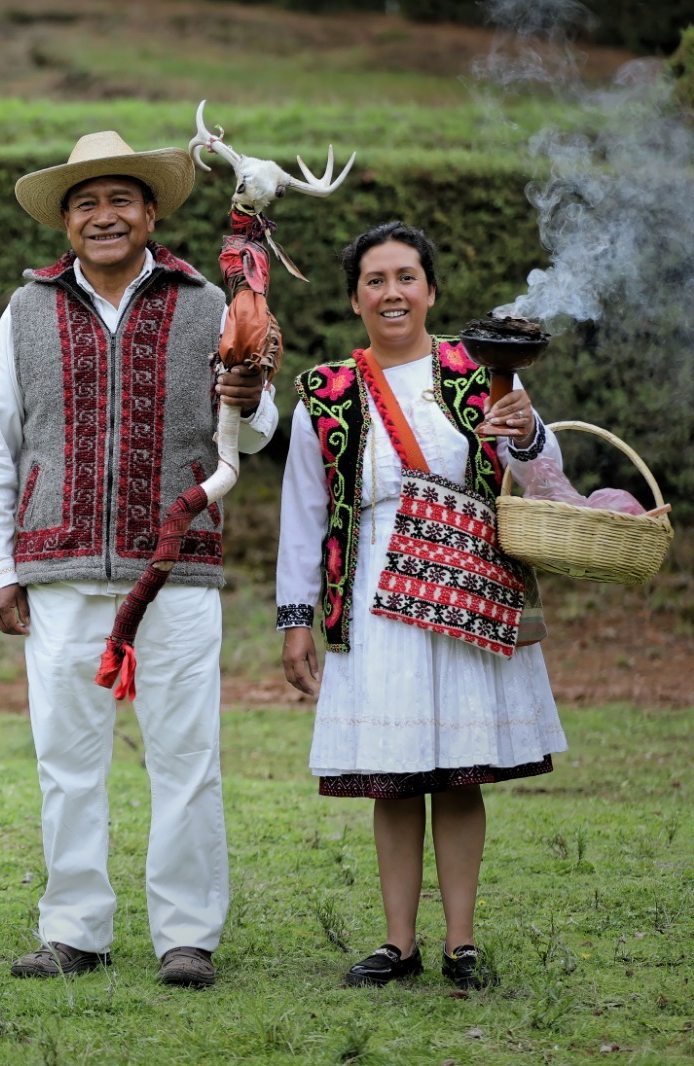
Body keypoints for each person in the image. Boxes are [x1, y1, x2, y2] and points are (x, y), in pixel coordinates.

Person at [0, 131, 278, 988]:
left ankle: (187, 936)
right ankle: (74, 930)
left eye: (120, 201)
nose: (103, 216)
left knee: (186, 755)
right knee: (65, 761)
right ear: (66, 222)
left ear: (150, 212)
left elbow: (258, 431)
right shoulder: (25, 310)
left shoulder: (210, 299)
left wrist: (250, 400)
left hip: (176, 565)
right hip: (59, 571)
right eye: (85, 204)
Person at [277, 221, 568, 990]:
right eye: (375, 280)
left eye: (406, 276)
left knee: (459, 774)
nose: (392, 291)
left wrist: (529, 431)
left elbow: (542, 477)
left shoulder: (483, 370)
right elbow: (304, 511)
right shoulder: (326, 391)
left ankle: (461, 944)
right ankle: (398, 945)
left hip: (464, 582)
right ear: (354, 299)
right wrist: (292, 618)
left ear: (431, 291)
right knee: (394, 775)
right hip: (372, 590)